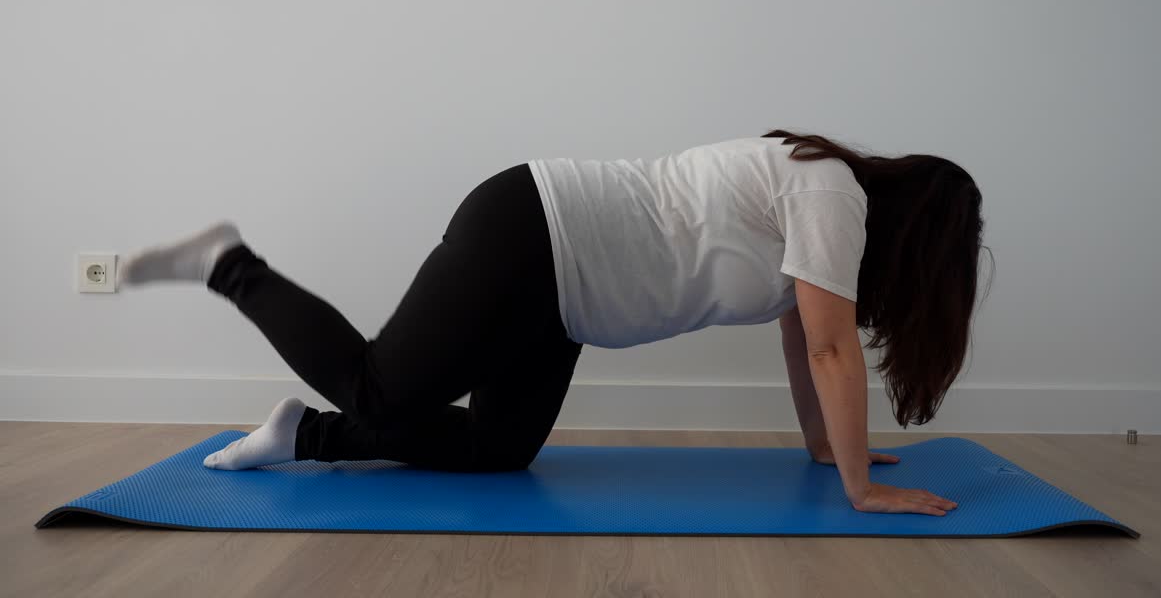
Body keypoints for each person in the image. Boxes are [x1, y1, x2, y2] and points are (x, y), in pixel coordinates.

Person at [119, 130, 984, 517]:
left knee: (500, 452)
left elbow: (805, 335)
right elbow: (833, 349)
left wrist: (831, 452)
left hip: (565, 298)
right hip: (535, 232)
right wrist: (863, 489)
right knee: (381, 389)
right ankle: (229, 265)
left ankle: (304, 438)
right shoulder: (833, 192)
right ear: (922, 234)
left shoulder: (823, 197)